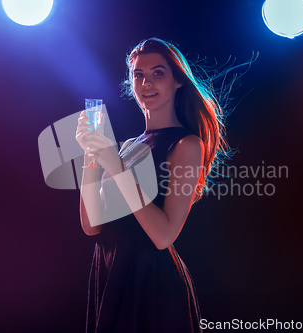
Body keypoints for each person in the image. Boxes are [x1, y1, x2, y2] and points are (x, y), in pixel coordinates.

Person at [75, 37, 234, 333]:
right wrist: (90, 155)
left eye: (158, 72)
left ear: (177, 82)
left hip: (151, 284)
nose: (146, 82)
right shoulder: (125, 149)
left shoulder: (187, 145)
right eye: (139, 75)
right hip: (112, 278)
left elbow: (163, 236)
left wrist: (116, 167)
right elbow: (91, 224)